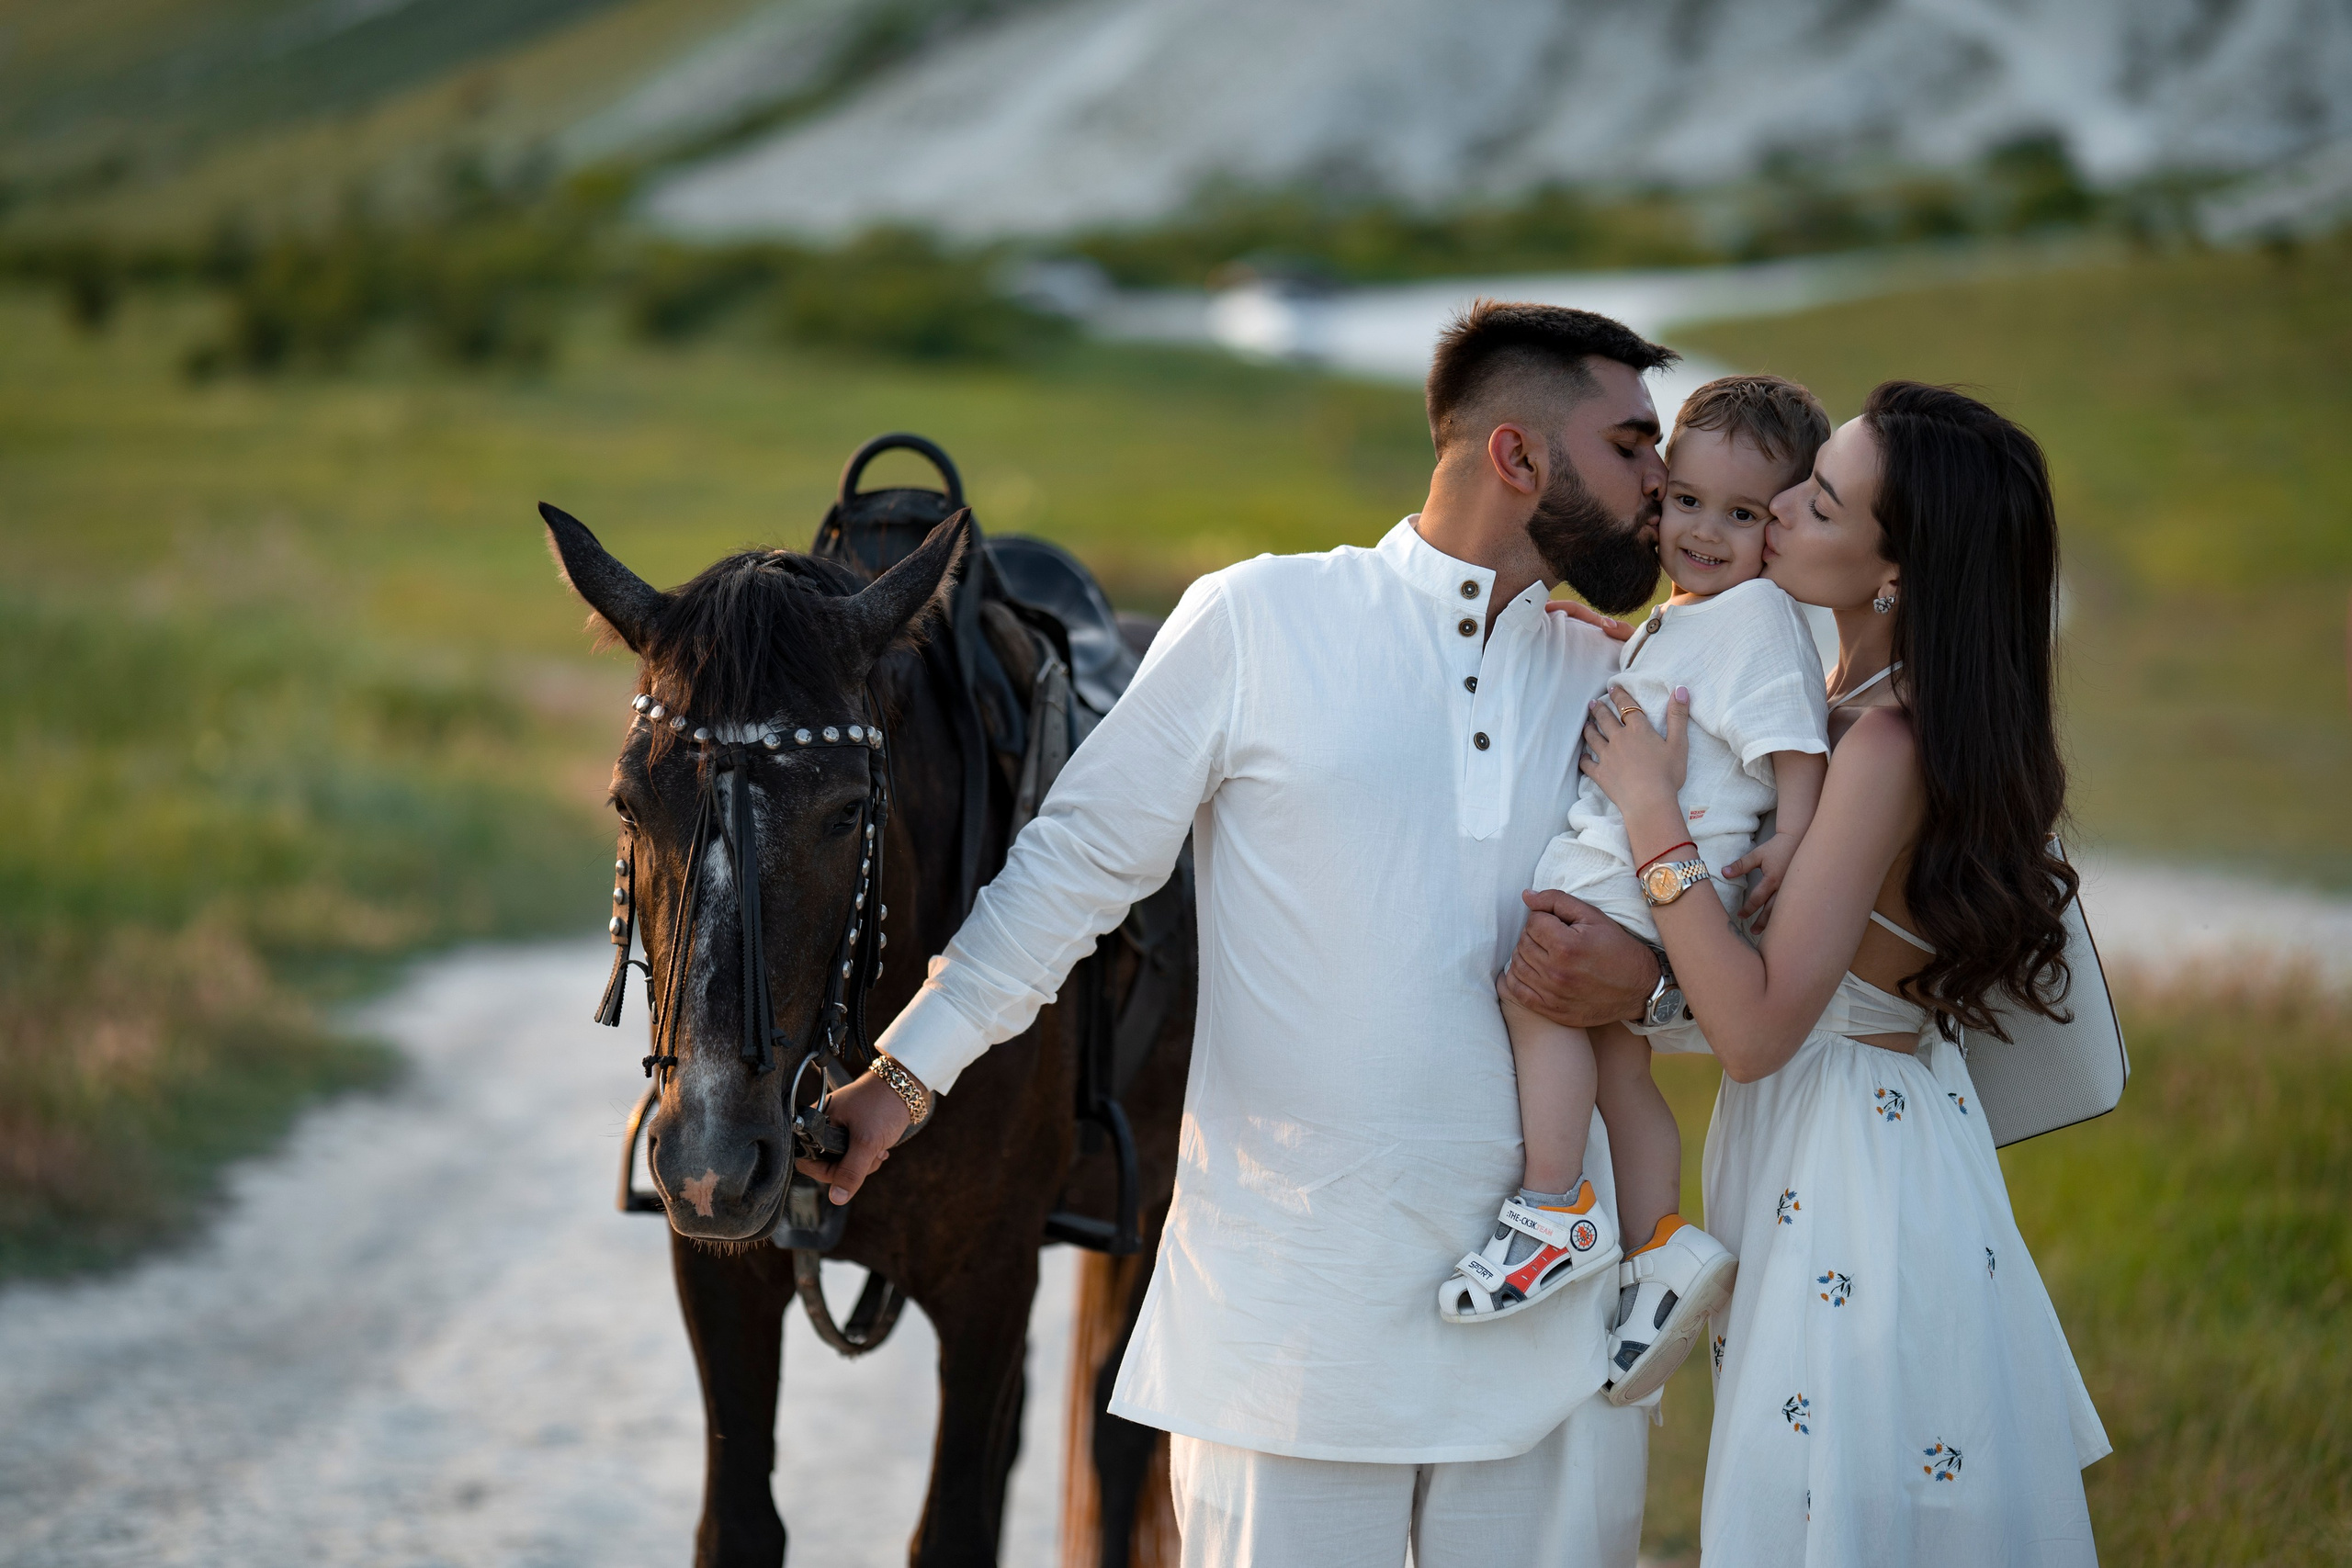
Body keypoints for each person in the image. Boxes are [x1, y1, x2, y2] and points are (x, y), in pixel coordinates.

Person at [805, 300, 1680, 1567]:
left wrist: (1645, 987)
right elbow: (1074, 868)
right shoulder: (1262, 622)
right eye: (1633, 446)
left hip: (1547, 1344)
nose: (1663, 483)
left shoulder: (1624, 679)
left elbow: (1727, 950)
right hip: (1292, 1334)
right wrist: (905, 1071)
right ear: (1517, 457)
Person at [1577, 381, 2108, 1565]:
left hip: (1850, 1172)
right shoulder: (1839, 707)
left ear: (1896, 575)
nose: (1770, 525)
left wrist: (1651, 818)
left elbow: (1757, 1032)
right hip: (1851, 1144)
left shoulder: (1883, 743)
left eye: (1813, 506)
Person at [1442, 379, 1835, 1430]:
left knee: (1541, 999)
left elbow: (1793, 745)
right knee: (1618, 1056)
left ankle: (1557, 1203)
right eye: (1688, 502)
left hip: (1638, 863)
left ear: (1783, 521)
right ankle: (1660, 1241)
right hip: (1649, 864)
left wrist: (1792, 835)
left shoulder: (1757, 618)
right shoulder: (1690, 615)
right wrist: (1608, 641)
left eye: (1742, 516)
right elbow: (1683, 701)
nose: (1704, 532)